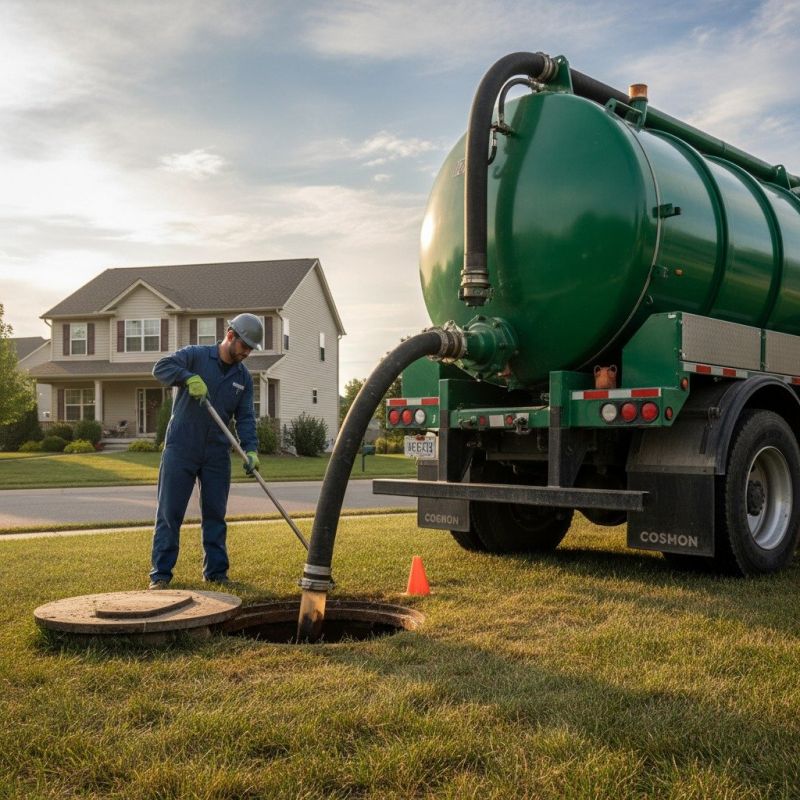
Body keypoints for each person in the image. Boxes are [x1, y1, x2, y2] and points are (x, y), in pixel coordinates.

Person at [148, 313, 264, 589]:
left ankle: (216, 573)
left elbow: (245, 417)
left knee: (215, 514)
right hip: (181, 447)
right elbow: (160, 368)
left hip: (216, 453)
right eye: (244, 345)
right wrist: (187, 377)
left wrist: (251, 450)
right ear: (230, 335)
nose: (247, 352)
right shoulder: (195, 356)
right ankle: (161, 575)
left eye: (251, 348)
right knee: (170, 512)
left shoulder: (243, 378)